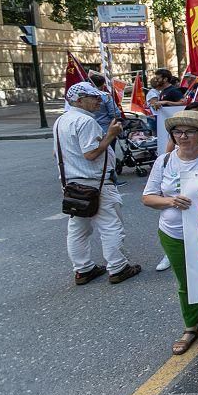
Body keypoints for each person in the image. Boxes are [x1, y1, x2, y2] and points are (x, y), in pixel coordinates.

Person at [142, 109, 198, 355]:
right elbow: (148, 198)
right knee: (185, 282)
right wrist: (171, 201)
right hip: (174, 232)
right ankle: (191, 327)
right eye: (178, 132)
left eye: (189, 131)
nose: (183, 136)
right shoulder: (164, 161)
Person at [53, 82, 140, 285]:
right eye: (94, 97)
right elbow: (91, 153)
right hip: (95, 183)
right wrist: (111, 135)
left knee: (78, 228)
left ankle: (83, 269)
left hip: (73, 184)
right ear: (79, 100)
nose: (99, 101)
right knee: (111, 226)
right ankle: (118, 267)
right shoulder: (85, 121)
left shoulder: (61, 121)